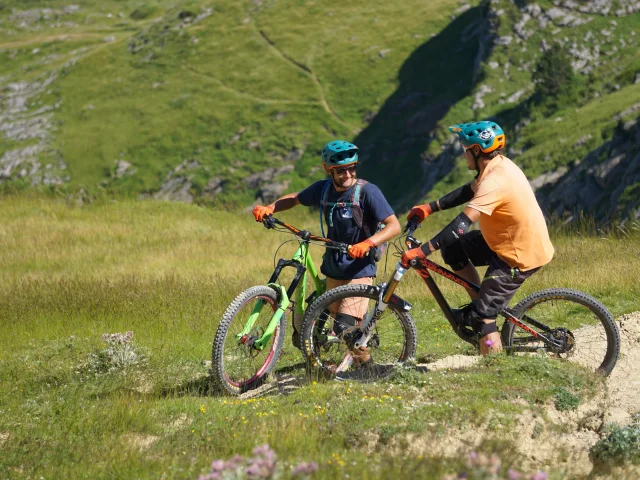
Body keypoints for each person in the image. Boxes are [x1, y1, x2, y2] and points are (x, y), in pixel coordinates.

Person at [401, 121, 554, 356]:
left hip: (518, 255)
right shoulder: (494, 167)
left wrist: (423, 252)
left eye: (465, 149)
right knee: (452, 249)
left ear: (476, 150)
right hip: (505, 241)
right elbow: (469, 190)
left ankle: (492, 365)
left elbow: (461, 225)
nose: (463, 155)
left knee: (484, 318)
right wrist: (429, 208)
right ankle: (480, 301)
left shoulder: (495, 181)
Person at [253, 140, 401, 374]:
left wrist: (366, 243)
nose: (348, 174)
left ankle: (370, 371)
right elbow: (295, 198)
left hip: (360, 269)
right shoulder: (323, 189)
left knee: (344, 326)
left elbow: (394, 226)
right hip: (333, 266)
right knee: (338, 322)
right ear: (327, 169)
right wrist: (270, 207)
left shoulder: (367, 191)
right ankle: (343, 357)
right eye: (341, 170)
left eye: (352, 168)